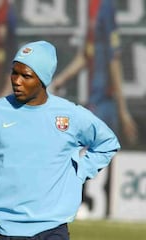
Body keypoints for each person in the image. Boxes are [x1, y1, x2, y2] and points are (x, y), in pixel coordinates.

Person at [0, 40, 120, 239]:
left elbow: (107, 143)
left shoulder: (70, 115)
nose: (17, 81)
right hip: (6, 230)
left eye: (26, 75)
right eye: (14, 72)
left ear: (43, 79)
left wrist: (79, 173)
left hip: (53, 229)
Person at [51, 0, 137, 217]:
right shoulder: (91, 7)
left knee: (93, 150)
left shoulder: (105, 7)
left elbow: (113, 60)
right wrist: (60, 80)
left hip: (105, 99)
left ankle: (89, 203)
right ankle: (85, 202)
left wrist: (122, 109)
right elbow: (86, 56)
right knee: (84, 149)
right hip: (96, 98)